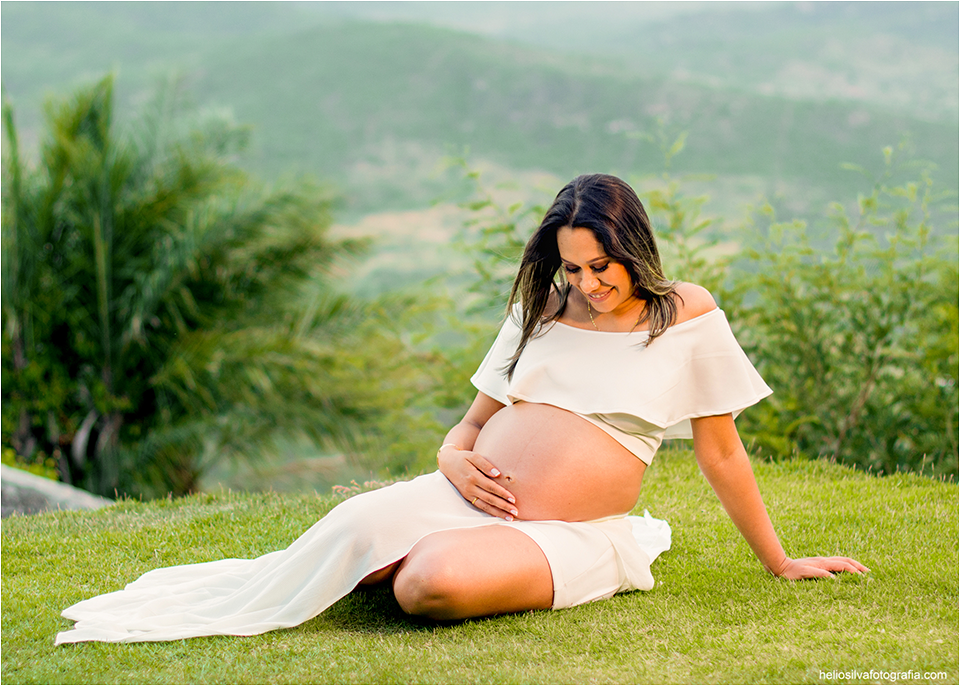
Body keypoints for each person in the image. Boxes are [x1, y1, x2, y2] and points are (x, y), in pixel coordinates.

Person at [55, 174, 867, 645]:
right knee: (341, 541)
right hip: (463, 491)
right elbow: (470, 426)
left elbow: (721, 450)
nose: (588, 283)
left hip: (573, 534)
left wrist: (781, 561)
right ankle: (412, 528)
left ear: (635, 246)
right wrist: (450, 459)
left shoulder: (684, 313)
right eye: (573, 267)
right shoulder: (542, 310)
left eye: (602, 265)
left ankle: (439, 548)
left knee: (423, 589)